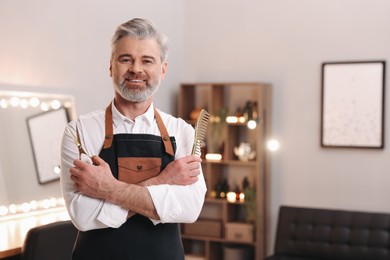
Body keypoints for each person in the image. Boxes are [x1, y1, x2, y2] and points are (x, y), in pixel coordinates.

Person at [60, 18, 207, 260]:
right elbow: (84, 217)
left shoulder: (183, 132)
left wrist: (108, 189)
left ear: (162, 69)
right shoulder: (79, 131)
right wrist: (164, 180)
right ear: (111, 66)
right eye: (125, 59)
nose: (136, 69)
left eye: (147, 60)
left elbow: (189, 209)